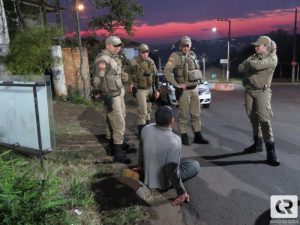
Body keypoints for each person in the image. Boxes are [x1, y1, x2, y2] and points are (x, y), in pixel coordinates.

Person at [138, 106, 200, 206]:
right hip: (161, 183)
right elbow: (173, 171)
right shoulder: (174, 140)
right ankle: (167, 186)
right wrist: (182, 192)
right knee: (195, 165)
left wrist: (140, 167)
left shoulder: (146, 128)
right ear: (172, 120)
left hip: (146, 174)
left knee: (182, 162)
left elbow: (140, 150)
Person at [238, 35, 280, 166]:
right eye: (255, 45)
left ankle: (271, 153)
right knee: (253, 118)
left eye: (258, 45)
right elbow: (240, 68)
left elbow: (254, 66)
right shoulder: (254, 57)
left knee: (264, 120)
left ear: (266, 46)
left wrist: (249, 64)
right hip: (249, 91)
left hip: (262, 92)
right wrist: (251, 64)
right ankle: (257, 144)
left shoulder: (272, 58)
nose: (255, 47)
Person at [164, 36, 209, 145]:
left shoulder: (192, 55)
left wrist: (198, 83)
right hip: (183, 91)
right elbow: (167, 71)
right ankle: (184, 135)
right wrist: (176, 84)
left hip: (194, 89)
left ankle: (198, 136)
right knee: (183, 114)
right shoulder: (174, 56)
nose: (185, 47)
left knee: (196, 114)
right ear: (180, 46)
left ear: (190, 46)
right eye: (183, 45)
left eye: (187, 45)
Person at [92, 36, 130, 164]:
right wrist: (98, 93)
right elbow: (97, 79)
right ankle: (118, 154)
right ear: (107, 45)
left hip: (118, 93)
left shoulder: (114, 57)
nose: (118, 48)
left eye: (119, 45)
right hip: (110, 95)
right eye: (115, 45)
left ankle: (112, 146)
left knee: (115, 120)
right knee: (118, 122)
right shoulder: (103, 59)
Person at [130, 44, 160, 137]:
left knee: (149, 111)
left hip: (150, 89)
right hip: (140, 90)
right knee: (142, 112)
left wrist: (157, 89)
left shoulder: (151, 62)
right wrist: (130, 83)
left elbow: (155, 76)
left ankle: (147, 132)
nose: (145, 54)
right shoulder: (133, 62)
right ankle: (142, 134)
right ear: (139, 53)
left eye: (146, 52)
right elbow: (127, 73)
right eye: (143, 52)